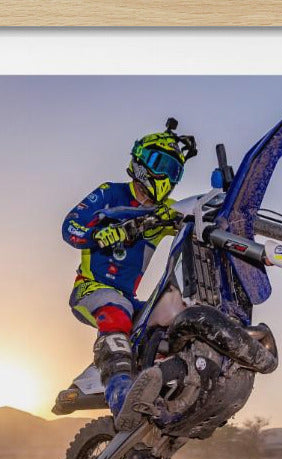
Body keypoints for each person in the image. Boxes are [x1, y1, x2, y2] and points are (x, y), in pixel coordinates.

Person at [61, 120, 196, 429]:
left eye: (176, 171)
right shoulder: (111, 193)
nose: (169, 177)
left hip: (129, 299)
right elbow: (70, 226)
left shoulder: (164, 211)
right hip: (91, 289)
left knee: (174, 318)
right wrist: (98, 233)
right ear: (142, 161)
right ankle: (122, 395)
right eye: (163, 165)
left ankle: (169, 390)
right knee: (117, 311)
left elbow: (194, 215)